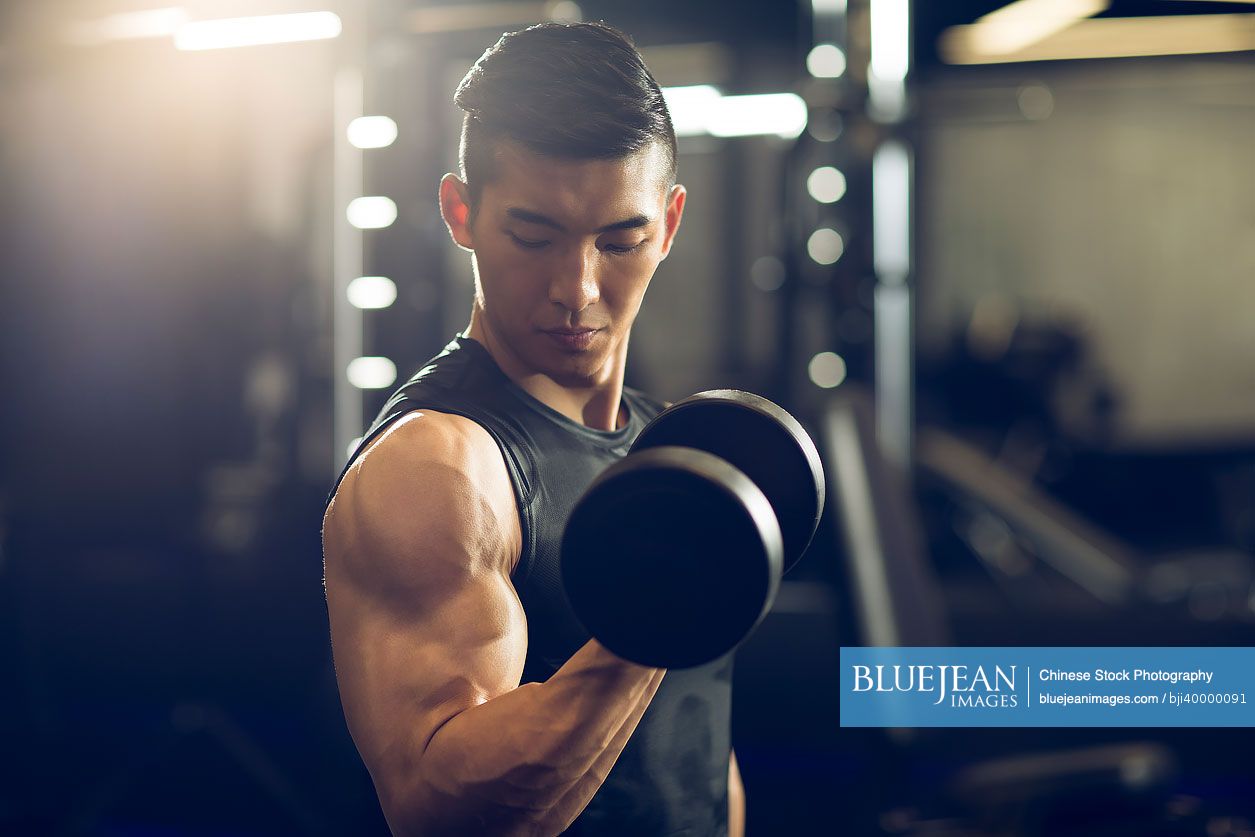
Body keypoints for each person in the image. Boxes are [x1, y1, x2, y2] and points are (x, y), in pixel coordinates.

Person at [322, 21, 744, 836]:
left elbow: (692, 759)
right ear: (460, 211)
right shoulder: (439, 467)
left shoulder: (670, 448)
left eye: (620, 239)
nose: (576, 288)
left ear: (669, 224)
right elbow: (439, 811)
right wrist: (655, 618)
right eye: (533, 235)